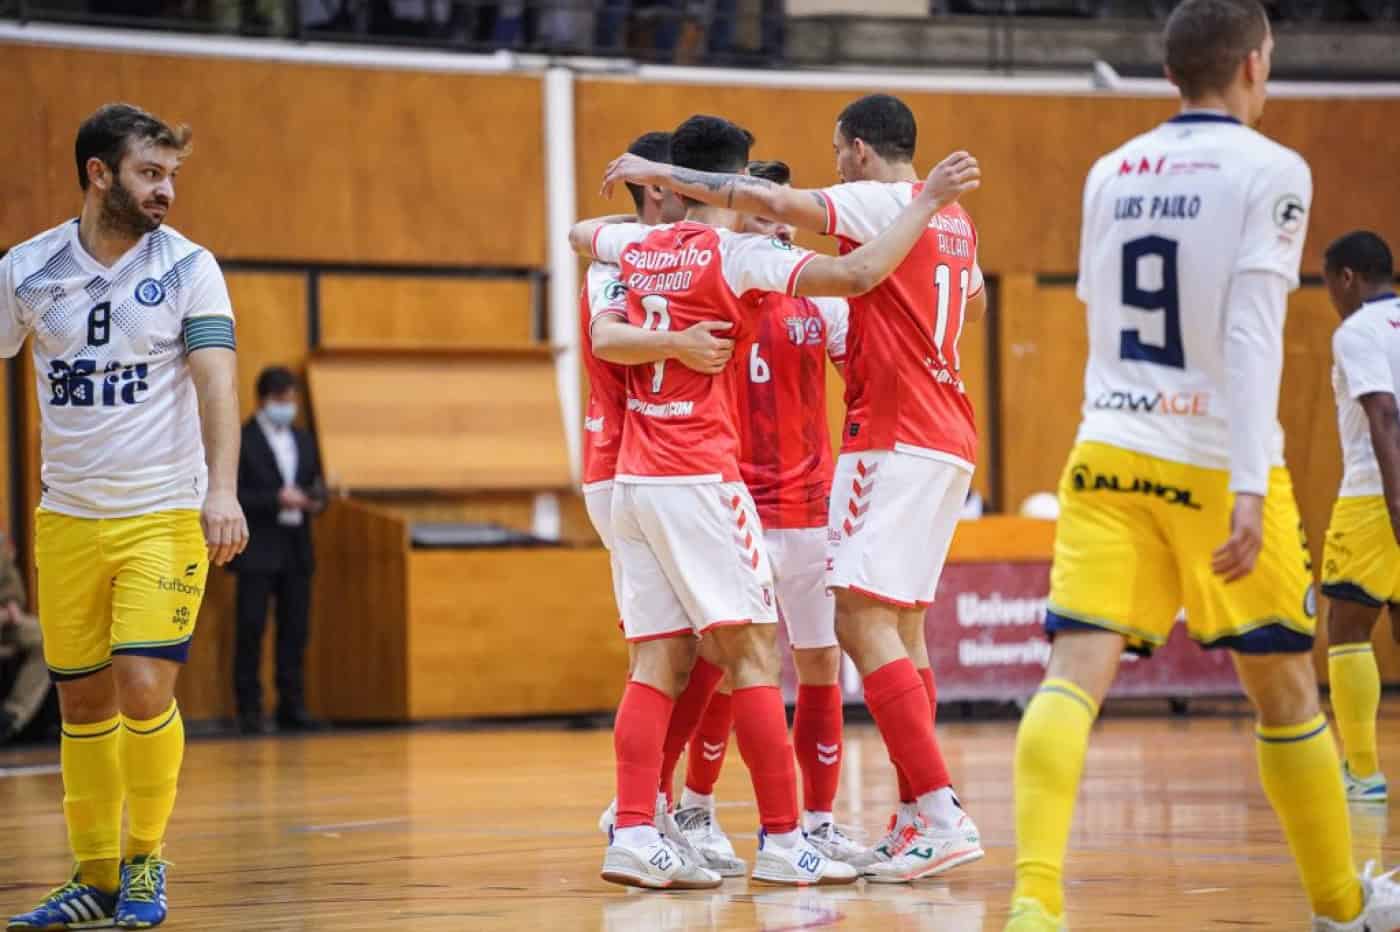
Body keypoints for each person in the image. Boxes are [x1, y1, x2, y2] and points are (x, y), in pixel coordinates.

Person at [998, 3, 1400, 929]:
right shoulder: (1273, 169)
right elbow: (1254, 329)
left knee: (1071, 677)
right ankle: (1341, 906)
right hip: (1218, 463)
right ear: (1256, 65)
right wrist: (1252, 484)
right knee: (1285, 687)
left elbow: (1100, 304)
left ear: (1172, 68)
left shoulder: (1110, 170)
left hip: (1106, 449)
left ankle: (1034, 904)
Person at [572, 113, 979, 890]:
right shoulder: (740, 254)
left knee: (661, 657)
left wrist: (644, 225)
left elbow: (581, 235)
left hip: (634, 477)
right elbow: (855, 278)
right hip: (706, 476)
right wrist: (924, 206)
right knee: (756, 651)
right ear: (737, 179)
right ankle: (789, 836)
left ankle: (635, 827)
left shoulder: (634, 249)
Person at [1, 103, 247, 931]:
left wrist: (223, 489)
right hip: (66, 517)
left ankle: (145, 860)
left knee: (143, 685)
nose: (166, 190)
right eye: (150, 173)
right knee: (80, 706)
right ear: (98, 173)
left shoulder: (189, 268)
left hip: (163, 512)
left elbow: (217, 379)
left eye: (171, 174)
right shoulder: (28, 270)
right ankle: (91, 876)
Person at [669, 159, 864, 869]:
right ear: (734, 222)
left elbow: (868, 378)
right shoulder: (717, 288)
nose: (777, 226)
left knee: (820, 661)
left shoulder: (822, 299)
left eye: (782, 214)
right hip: (736, 508)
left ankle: (816, 822)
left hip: (811, 510)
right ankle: (694, 807)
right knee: (724, 664)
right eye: (760, 215)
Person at [1320, 231, 1400, 806]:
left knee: (1347, 630)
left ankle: (1364, 773)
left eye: (1326, 282)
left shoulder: (1357, 331)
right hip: (1384, 497)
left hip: (1375, 496)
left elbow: (1383, 414)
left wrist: (1396, 505)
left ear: (1347, 277)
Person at [231, 366, 326, 735]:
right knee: (251, 628)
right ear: (264, 400)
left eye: (292, 400)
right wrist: (276, 498)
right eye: (281, 400)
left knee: (295, 628)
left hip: (296, 546)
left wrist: (315, 501)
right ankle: (249, 709)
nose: (288, 407)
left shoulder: (303, 440)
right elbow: (234, 494)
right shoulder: (243, 438)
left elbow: (316, 484)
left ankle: (292, 704)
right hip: (257, 546)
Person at [0, 528, 49, 746]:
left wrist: (11, 604)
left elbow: (12, 590)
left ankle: (12, 717)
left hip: (5, 625)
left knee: (45, 638)